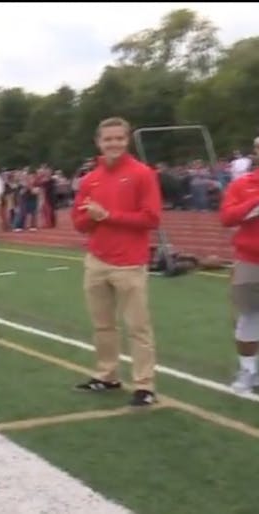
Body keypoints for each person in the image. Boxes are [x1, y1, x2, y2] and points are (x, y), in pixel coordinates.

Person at [71, 116, 161, 407]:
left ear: (127, 140)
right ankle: (107, 375)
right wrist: (92, 217)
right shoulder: (90, 179)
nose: (113, 144)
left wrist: (106, 216)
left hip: (130, 262)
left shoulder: (142, 173)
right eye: (108, 139)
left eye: (119, 138)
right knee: (102, 325)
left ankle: (144, 385)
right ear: (99, 142)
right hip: (96, 260)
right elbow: (79, 222)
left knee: (138, 326)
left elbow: (151, 218)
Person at [218, 162, 259, 394]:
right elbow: (227, 217)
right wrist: (254, 203)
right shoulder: (243, 184)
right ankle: (247, 370)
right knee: (250, 317)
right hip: (251, 260)